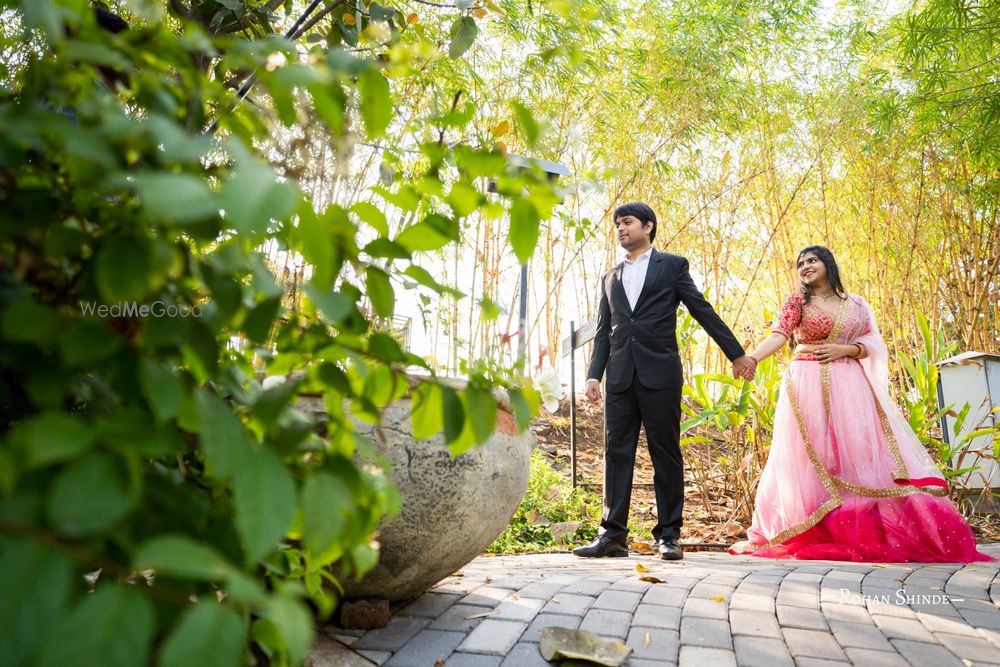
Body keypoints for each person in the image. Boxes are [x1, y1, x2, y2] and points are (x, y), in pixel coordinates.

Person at [730, 245, 992, 562]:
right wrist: (751, 358)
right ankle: (814, 525)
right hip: (807, 383)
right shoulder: (798, 301)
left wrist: (848, 350)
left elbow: (873, 343)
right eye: (800, 263)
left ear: (828, 263)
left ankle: (861, 525)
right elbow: (780, 335)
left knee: (859, 452)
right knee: (813, 454)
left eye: (812, 260)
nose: (805, 266)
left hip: (850, 385)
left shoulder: (856, 305)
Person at [574, 202, 756, 560]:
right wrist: (594, 374)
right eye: (617, 225)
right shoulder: (609, 277)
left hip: (660, 375)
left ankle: (669, 535)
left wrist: (736, 353)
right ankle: (612, 535)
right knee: (617, 454)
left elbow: (701, 309)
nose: (620, 229)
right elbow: (604, 331)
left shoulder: (671, 266)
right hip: (621, 377)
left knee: (665, 453)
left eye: (626, 222)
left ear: (648, 225)